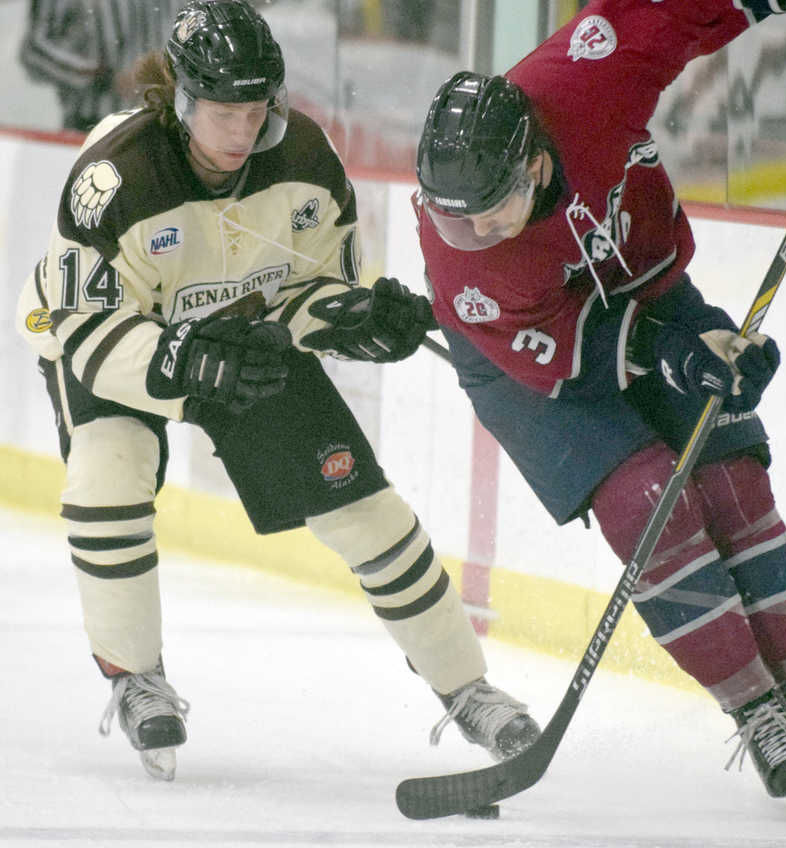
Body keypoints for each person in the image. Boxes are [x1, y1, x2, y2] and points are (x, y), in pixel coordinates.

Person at [391, 0, 786, 808]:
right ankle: (757, 712)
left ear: (535, 163)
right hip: (528, 366)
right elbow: (574, 359)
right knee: (652, 499)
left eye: (491, 208)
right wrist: (680, 353)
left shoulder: (585, 81)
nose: (476, 230)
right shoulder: (468, 264)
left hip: (645, 290)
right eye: (456, 216)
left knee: (733, 484)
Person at [14, 0, 539, 782]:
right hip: (126, 349)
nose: (241, 132)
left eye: (257, 110)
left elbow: (312, 289)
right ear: (184, 101)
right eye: (224, 112)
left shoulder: (304, 159)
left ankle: (470, 691)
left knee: (362, 506)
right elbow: (87, 335)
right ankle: (136, 677)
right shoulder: (112, 177)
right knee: (107, 469)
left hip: (246, 340)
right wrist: (187, 364)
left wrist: (356, 317)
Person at [19, 0, 184, 132]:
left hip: (170, 126)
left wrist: (178, 73)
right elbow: (36, 49)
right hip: (93, 126)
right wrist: (102, 76)